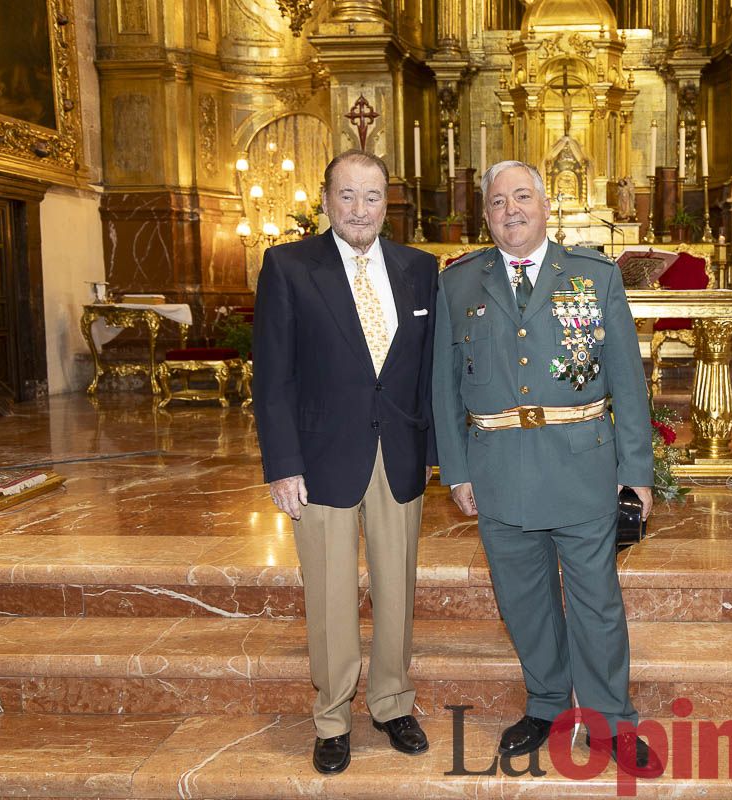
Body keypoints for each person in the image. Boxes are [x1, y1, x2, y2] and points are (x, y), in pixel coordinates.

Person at [431, 160, 662, 778]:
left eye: (523, 197)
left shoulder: (593, 276)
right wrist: (456, 471)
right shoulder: (458, 285)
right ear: (486, 214)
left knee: (597, 603)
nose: (511, 210)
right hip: (498, 469)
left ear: (545, 205)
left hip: (582, 465)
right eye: (499, 201)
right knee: (524, 601)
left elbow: (627, 383)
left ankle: (610, 721)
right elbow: (444, 390)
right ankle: (548, 705)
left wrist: (636, 471)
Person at [253, 149, 438, 775]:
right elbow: (273, 377)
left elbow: (426, 375)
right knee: (330, 592)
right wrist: (282, 463)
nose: (360, 209)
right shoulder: (288, 266)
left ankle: (391, 701)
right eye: (348, 195)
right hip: (321, 456)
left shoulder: (420, 269)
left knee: (397, 587)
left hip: (400, 454)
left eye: (373, 197)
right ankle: (332, 716)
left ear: (389, 203)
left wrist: (436, 455)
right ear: (326, 198)